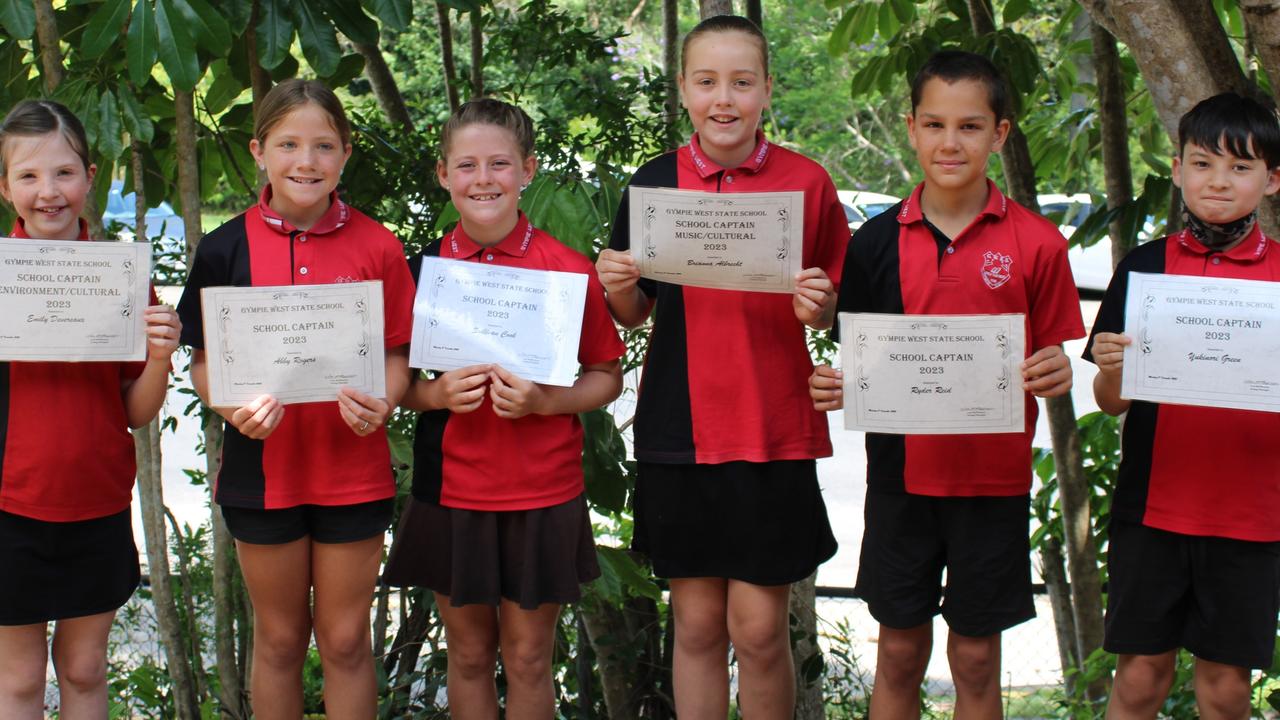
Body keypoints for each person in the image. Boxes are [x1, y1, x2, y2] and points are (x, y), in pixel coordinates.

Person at [809, 50, 1083, 719]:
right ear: (910, 128)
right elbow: (866, 357)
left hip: (992, 481)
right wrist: (841, 386)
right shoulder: (873, 244)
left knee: (977, 658)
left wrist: (1057, 369)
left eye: (968, 125)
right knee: (899, 652)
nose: (950, 142)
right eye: (934, 124)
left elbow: (1052, 356)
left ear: (1000, 134)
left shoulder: (1039, 244)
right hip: (902, 481)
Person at [595, 15, 846, 718]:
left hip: (773, 425)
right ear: (683, 89)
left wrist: (820, 307)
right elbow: (634, 311)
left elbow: (831, 306)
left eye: (741, 82)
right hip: (680, 426)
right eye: (707, 82)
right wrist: (615, 282)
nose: (723, 99)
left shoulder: (808, 183)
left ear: (767, 88)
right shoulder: (655, 184)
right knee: (698, 625)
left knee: (760, 631)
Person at [176, 79, 414, 719]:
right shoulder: (224, 247)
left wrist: (384, 401)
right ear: (259, 150)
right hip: (261, 476)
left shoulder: (378, 245)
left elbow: (398, 353)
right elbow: (201, 362)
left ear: (345, 153)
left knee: (344, 641)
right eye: (288, 144)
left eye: (323, 146)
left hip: (354, 474)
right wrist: (226, 405)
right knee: (280, 640)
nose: (305, 162)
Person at [382, 98, 624, 720]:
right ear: (443, 175)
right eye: (466, 165)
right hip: (453, 487)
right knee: (466, 656)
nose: (483, 179)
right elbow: (395, 383)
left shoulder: (566, 272)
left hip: (542, 489)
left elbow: (607, 377)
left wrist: (547, 401)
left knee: (527, 659)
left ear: (527, 170)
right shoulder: (421, 273)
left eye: (499, 163)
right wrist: (434, 394)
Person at [1085, 92, 1280, 720]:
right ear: (1177, 170)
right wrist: (1115, 368)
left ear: (1272, 180)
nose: (1218, 181)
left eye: (1241, 167)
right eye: (1202, 163)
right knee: (1140, 677)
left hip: (1253, 515)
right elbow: (1110, 402)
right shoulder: (1144, 268)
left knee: (1225, 688)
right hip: (1153, 510)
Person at [0, 99, 180, 718]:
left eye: (64, 173)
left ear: (90, 176)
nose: (48, 192)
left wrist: (159, 355)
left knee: (83, 669)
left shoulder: (122, 280)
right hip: (9, 507)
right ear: (5, 188)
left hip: (96, 503)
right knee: (18, 680)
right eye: (28, 176)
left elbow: (135, 412)